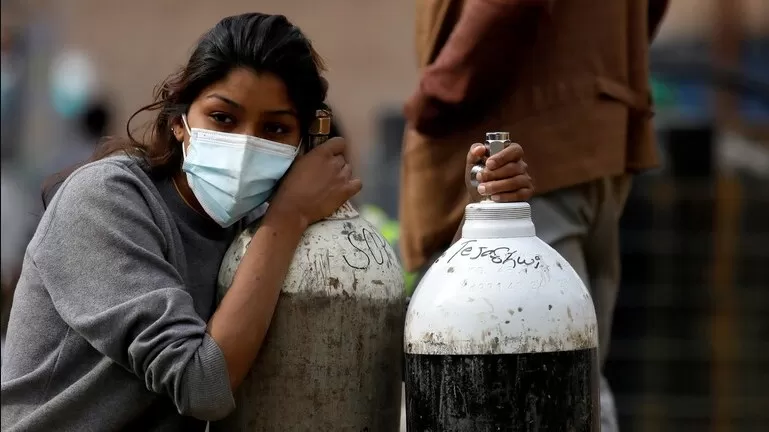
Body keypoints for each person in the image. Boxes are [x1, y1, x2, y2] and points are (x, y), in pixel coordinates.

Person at [1, 12, 533, 431]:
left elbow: (384, 327)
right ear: (182, 121)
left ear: (303, 144)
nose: (245, 144)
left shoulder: (259, 223)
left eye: (275, 130)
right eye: (223, 118)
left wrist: (479, 217)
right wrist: (289, 216)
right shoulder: (108, 201)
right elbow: (202, 384)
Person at [399, 1, 670, 431]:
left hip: (526, 130)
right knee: (576, 371)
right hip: (601, 130)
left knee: (536, 375)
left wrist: (437, 91)